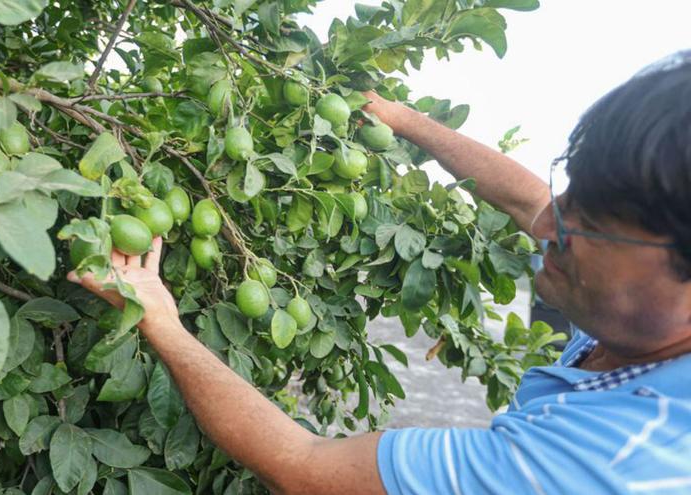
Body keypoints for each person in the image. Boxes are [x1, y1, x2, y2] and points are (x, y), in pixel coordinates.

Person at [69, 52, 691, 494]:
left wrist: (162, 320)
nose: (550, 228)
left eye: (587, 226)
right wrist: (405, 119)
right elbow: (527, 201)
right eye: (570, 196)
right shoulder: (647, 320)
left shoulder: (612, 465)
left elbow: (305, 465)